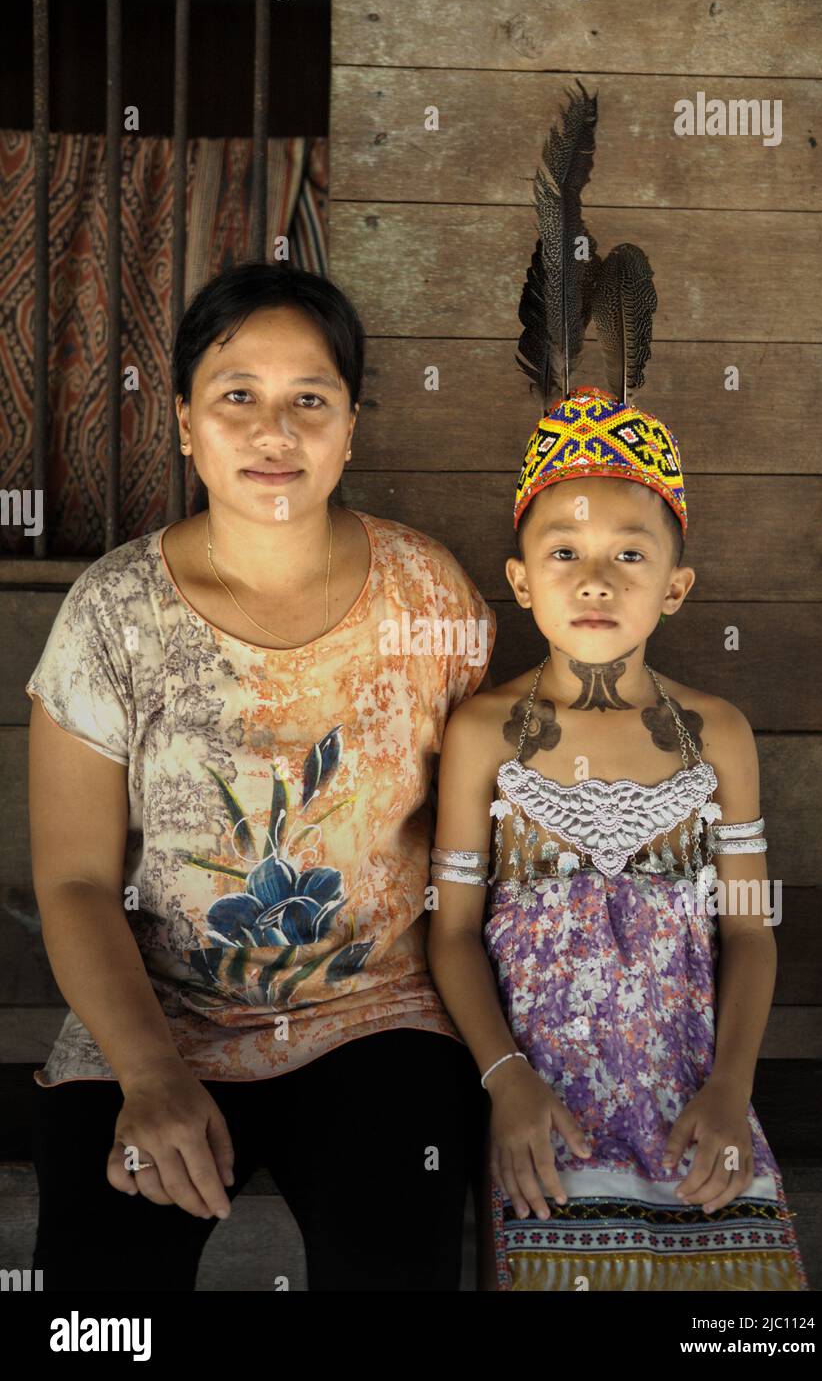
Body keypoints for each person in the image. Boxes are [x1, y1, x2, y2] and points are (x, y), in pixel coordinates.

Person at [26, 260, 496, 1291]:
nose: (273, 430)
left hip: (376, 1012)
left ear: (351, 426)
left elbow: (480, 837)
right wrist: (149, 1074)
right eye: (237, 395)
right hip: (156, 1015)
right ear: (186, 421)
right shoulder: (114, 614)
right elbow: (71, 882)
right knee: (98, 1306)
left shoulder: (430, 595)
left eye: (309, 400)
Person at [425, 81, 808, 1291]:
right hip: (536, 1105)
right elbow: (447, 935)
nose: (598, 577)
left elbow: (748, 933)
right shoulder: (486, 734)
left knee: (741, 1309)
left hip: (695, 1094)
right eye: (565, 553)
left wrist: (733, 1086)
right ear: (519, 582)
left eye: (630, 555)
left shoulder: (717, 736)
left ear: (678, 586)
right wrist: (504, 1080)